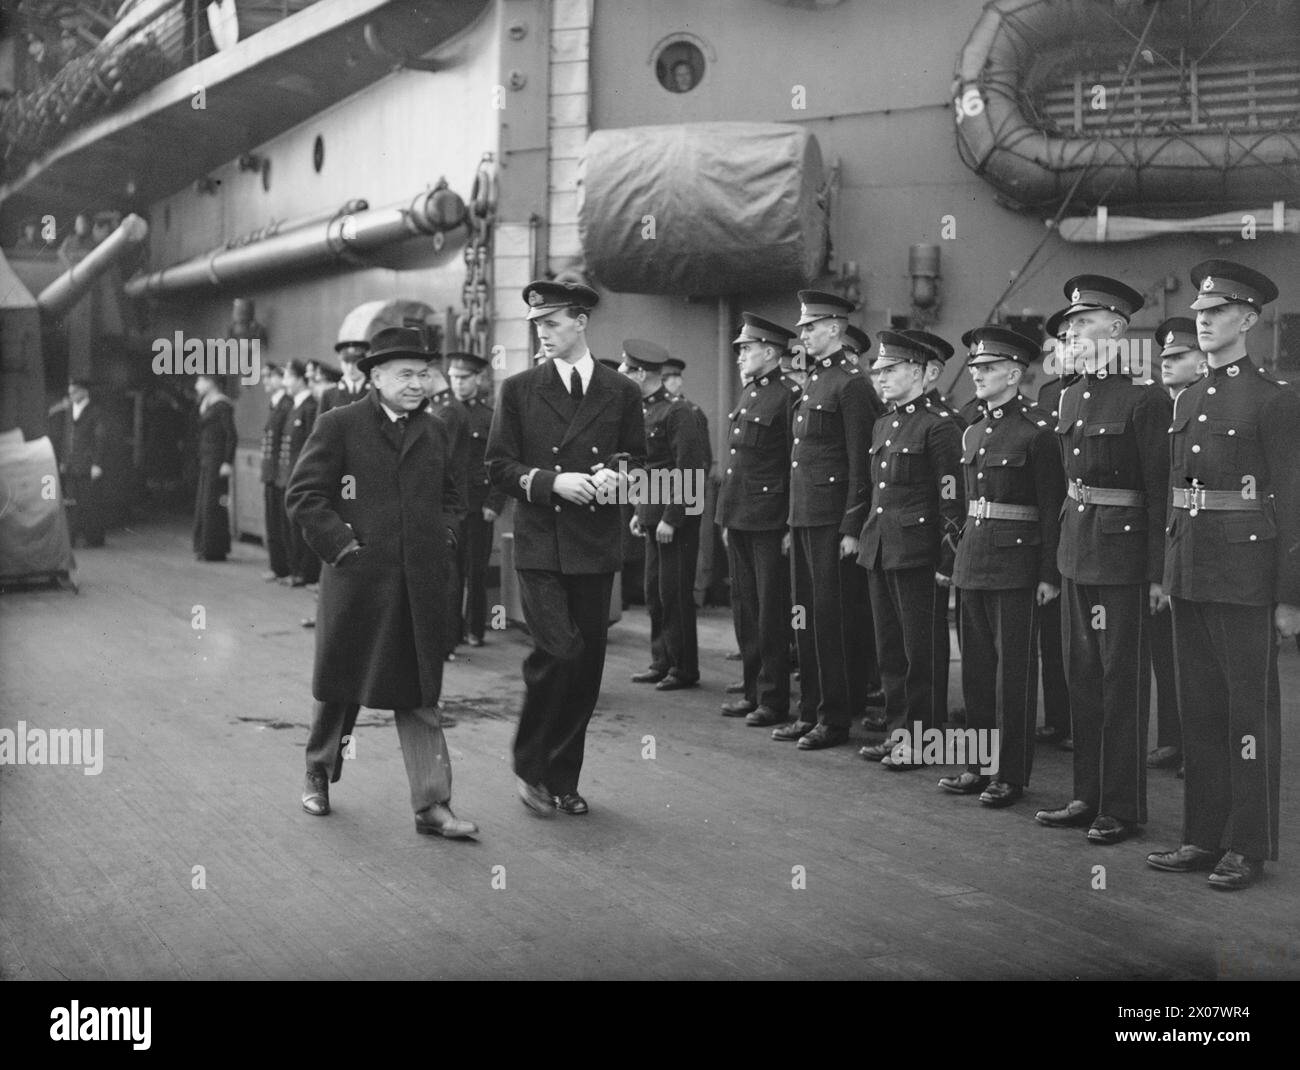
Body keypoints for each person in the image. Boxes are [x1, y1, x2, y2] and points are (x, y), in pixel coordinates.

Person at [1147, 261, 1300, 890]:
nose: (1204, 321)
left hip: (1246, 571)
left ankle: (1247, 844)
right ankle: (1201, 837)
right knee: (1200, 708)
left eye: (1218, 313)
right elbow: (1176, 495)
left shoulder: (1274, 400)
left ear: (1248, 319)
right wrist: (1166, 572)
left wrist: (1290, 598)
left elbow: (1291, 501)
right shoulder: (1187, 398)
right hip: (1190, 566)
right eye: (1201, 313)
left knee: (1248, 713)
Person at [288, 327, 475, 839]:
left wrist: (446, 538)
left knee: (420, 696)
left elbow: (454, 500)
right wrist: (343, 547)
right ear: (375, 377)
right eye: (406, 375)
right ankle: (318, 773)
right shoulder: (338, 425)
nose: (419, 384)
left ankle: (432, 806)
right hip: (357, 582)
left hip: (419, 587)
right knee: (340, 686)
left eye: (423, 374)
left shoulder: (434, 431)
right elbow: (305, 496)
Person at [486, 281, 646, 817]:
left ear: (581, 321)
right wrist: (553, 482)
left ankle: (564, 778)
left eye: (552, 322)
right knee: (559, 652)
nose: (543, 333)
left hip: (595, 545)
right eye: (537, 324)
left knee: (588, 666)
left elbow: (640, 461)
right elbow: (498, 466)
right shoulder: (519, 390)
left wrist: (616, 476)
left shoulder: (620, 391)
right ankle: (531, 766)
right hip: (541, 545)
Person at [1035, 275, 1171, 845]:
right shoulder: (1068, 395)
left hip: (1122, 557)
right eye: (1068, 327)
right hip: (1076, 551)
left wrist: (1159, 574)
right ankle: (1084, 794)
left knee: (1122, 682)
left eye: (1082, 324)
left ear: (1116, 328)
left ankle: (1121, 804)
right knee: (1082, 677)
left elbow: (1162, 490)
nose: (1071, 333)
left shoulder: (1146, 398)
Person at [943, 326, 1063, 806]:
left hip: (1017, 565)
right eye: (974, 367)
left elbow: (1052, 506)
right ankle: (977, 764)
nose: (978, 374)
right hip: (974, 560)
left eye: (988, 368)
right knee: (975, 672)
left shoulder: (1039, 431)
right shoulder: (972, 429)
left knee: (1011, 676)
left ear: (1014, 373)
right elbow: (966, 500)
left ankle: (1009, 774)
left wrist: (1048, 575)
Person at [775, 290, 881, 750]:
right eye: (802, 327)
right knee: (804, 617)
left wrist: (852, 525)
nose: (804, 334)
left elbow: (863, 462)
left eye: (811, 327)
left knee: (830, 619)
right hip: (804, 517)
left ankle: (834, 718)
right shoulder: (815, 381)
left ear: (835, 329)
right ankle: (810, 709)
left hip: (832, 521)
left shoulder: (851, 384)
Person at [856, 332, 965, 769]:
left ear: (920, 373)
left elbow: (952, 500)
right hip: (882, 548)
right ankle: (902, 731)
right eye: (878, 371)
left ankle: (924, 739)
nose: (880, 378)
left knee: (923, 651)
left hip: (920, 553)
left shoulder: (940, 426)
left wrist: (948, 558)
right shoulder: (885, 422)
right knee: (891, 650)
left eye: (890, 370)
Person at [716, 313, 800, 726]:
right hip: (741, 516)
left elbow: (793, 465)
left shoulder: (788, 397)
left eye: (746, 350)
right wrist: (726, 518)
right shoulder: (750, 393)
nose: (740, 357)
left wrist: (788, 525)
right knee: (745, 609)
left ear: (770, 352)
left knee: (770, 613)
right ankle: (752, 690)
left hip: (769, 519)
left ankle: (773, 699)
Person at [624, 340, 711, 691]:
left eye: (626, 370)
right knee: (654, 592)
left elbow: (690, 468)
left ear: (641, 373)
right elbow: (647, 467)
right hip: (652, 517)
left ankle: (683, 667)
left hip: (673, 522)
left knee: (674, 593)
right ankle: (661, 660)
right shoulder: (644, 411)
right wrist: (638, 511)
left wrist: (672, 518)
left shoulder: (678, 413)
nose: (621, 375)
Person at [1146, 316, 1205, 776]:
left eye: (1178, 356)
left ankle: (1199, 747)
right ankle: (1173, 738)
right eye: (1164, 356)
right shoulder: (1159, 410)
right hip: (1165, 546)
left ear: (1201, 361)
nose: (1167, 363)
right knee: (1167, 655)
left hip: (1200, 551)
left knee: (1201, 664)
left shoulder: (1203, 411)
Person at [1032, 308, 1075, 750]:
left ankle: (1081, 722)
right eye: (1059, 341)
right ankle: (1058, 718)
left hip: (1087, 520)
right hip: (1050, 518)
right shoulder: (1046, 395)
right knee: (1050, 630)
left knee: (1081, 638)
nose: (1064, 347)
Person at [447, 352, 507, 647]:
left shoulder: (489, 417)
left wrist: (494, 503)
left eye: (464, 378)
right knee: (450, 572)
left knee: (476, 571)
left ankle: (475, 629)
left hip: (479, 506)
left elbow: (500, 463)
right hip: (450, 507)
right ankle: (451, 630)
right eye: (454, 378)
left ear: (477, 379)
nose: (458, 384)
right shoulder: (441, 412)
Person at [49, 379, 107, 548]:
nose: (71, 395)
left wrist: (97, 463)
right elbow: (66, 437)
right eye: (70, 392)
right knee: (71, 502)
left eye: (74, 392)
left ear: (84, 392)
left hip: (87, 464)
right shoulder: (68, 412)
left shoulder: (95, 412)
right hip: (71, 464)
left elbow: (100, 438)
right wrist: (63, 460)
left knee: (89, 502)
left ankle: (94, 538)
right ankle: (71, 538)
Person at [280, 360, 320, 586]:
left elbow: (308, 446)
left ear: (299, 379)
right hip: (289, 475)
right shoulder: (294, 405)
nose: (285, 382)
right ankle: (295, 570)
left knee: (300, 527)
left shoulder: (309, 408)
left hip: (300, 476)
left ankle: (304, 572)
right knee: (290, 527)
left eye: (288, 376)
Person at [193, 374, 236, 562]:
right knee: (204, 503)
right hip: (207, 459)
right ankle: (204, 547)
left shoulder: (222, 405)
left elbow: (231, 435)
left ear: (210, 382)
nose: (197, 385)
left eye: (200, 380)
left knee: (213, 504)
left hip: (217, 461)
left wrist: (228, 461)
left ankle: (214, 549)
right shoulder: (208, 403)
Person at [259, 364, 292, 582]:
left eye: (271, 376)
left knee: (282, 522)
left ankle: (285, 567)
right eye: (264, 377)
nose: (266, 381)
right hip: (271, 473)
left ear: (282, 378)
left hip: (281, 474)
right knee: (272, 521)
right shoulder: (274, 404)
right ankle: (277, 566)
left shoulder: (287, 404)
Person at [319, 339, 370, 412]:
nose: (350, 368)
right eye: (346, 362)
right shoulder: (329, 394)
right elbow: (320, 422)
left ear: (364, 362)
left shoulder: (375, 391)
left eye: (355, 362)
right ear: (341, 363)